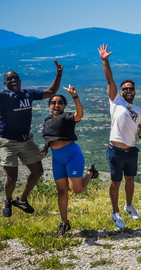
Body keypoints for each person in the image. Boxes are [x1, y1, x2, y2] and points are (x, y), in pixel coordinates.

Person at [0, 56, 62, 217]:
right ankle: (7, 200)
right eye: (9, 79)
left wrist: (58, 75)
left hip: (26, 141)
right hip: (7, 142)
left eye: (15, 78)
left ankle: (22, 200)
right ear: (5, 83)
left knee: (38, 171)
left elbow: (51, 92)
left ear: (20, 80)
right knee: (12, 177)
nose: (13, 80)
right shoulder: (3, 96)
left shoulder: (28, 93)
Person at [98, 44, 141, 228]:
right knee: (115, 182)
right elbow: (109, 79)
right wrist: (105, 60)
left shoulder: (140, 111)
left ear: (134, 91)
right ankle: (115, 212)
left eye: (131, 88)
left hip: (131, 151)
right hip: (115, 151)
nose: (128, 91)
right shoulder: (116, 100)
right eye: (125, 88)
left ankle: (129, 205)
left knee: (130, 180)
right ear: (121, 91)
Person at [41, 86, 99, 236]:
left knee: (77, 190)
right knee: (61, 191)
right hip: (57, 159)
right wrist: (45, 149)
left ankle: (90, 173)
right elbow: (49, 137)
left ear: (64, 105)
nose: (56, 105)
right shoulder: (47, 120)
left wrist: (75, 96)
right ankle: (64, 223)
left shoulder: (66, 116)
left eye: (60, 102)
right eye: (53, 102)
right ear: (49, 105)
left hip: (72, 155)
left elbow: (79, 115)